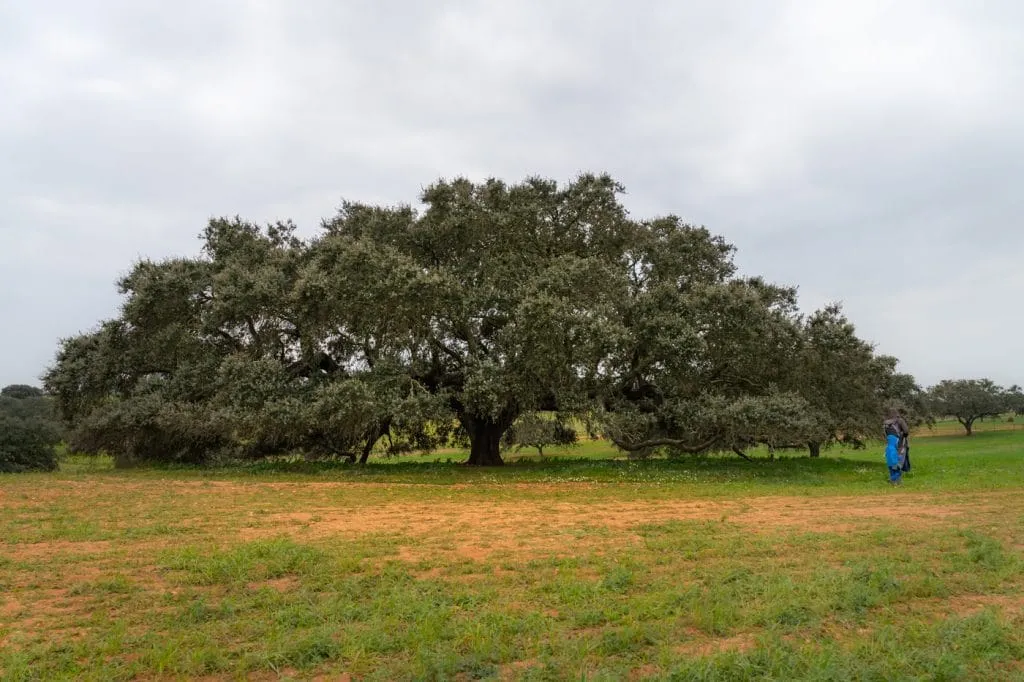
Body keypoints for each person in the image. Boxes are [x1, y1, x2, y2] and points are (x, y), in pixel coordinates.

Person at [883, 409, 910, 485]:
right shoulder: (900, 420)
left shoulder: (885, 423)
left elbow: (884, 435)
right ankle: (895, 479)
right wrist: (903, 436)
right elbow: (906, 431)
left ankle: (895, 479)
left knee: (891, 461)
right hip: (900, 444)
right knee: (899, 462)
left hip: (889, 444)